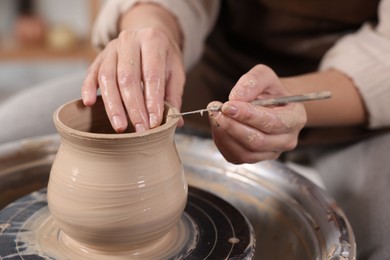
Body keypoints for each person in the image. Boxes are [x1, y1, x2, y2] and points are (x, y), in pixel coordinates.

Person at [81, 1, 390, 258]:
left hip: (350, 95)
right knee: (31, 121)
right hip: (200, 73)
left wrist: (285, 98)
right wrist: (152, 23)